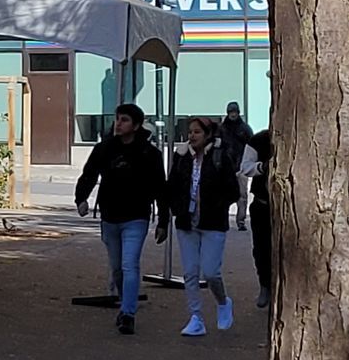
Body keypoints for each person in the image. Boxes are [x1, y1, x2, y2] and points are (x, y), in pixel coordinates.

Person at [74, 103, 165, 335]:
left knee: (129, 264)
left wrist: (163, 220)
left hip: (137, 217)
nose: (118, 123)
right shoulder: (104, 149)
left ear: (135, 125)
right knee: (117, 269)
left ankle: (128, 313)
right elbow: (89, 174)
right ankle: (126, 301)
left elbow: (160, 188)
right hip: (110, 217)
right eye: (117, 119)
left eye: (124, 120)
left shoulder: (149, 153)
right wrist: (81, 198)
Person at [164, 116, 239, 336]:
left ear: (207, 135)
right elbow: (172, 186)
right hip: (187, 222)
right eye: (190, 132)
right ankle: (196, 317)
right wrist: (177, 209)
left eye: (197, 132)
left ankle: (223, 302)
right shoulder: (182, 157)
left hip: (213, 222)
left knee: (211, 271)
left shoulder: (219, 156)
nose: (192, 136)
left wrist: (215, 204)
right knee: (190, 272)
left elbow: (233, 191)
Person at [243, 127, 275, 309]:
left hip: (287, 206)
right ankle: (265, 285)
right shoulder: (259, 139)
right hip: (262, 204)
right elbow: (245, 167)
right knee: (262, 248)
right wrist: (262, 167)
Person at [219, 102, 255, 230]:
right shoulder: (222, 129)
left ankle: (241, 221)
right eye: (231, 112)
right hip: (225, 168)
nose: (233, 114)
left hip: (241, 167)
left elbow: (252, 146)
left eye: (234, 112)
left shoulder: (245, 129)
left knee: (242, 196)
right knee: (224, 196)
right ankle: (224, 220)